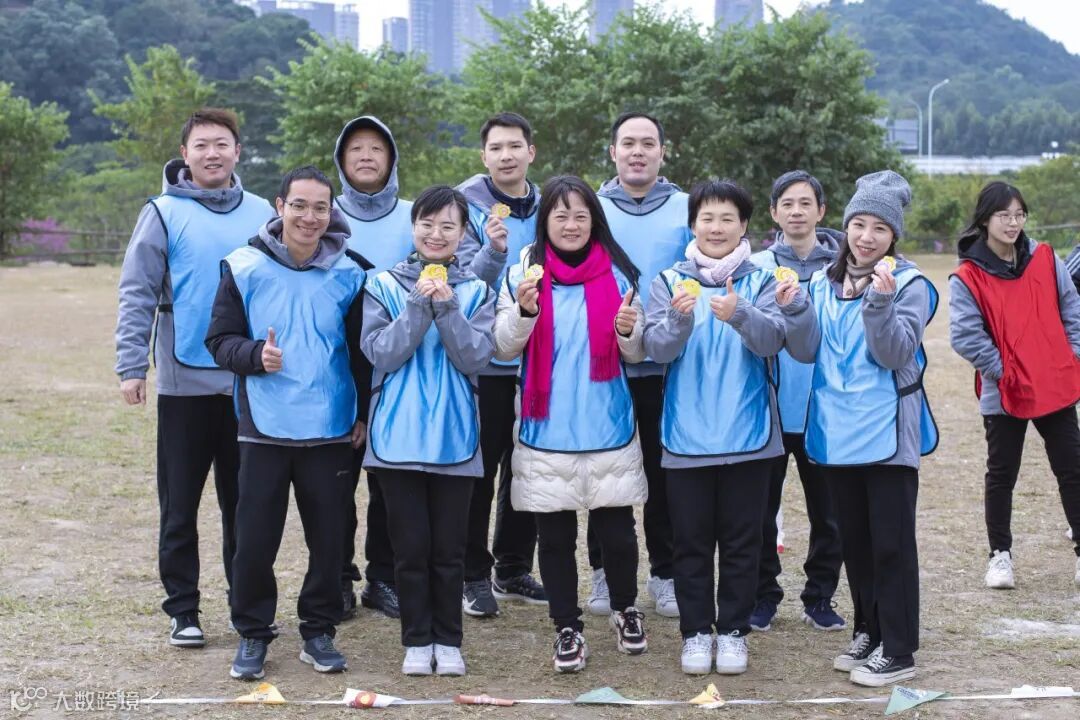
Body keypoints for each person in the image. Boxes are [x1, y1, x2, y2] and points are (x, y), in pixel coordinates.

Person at [114, 108, 274, 647]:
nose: (212, 153)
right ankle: (183, 609)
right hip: (184, 384)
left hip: (247, 386)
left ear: (237, 152)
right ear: (184, 155)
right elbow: (137, 291)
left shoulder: (262, 212)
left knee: (244, 506)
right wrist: (131, 365)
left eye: (222, 144)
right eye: (201, 144)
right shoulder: (161, 213)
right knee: (179, 506)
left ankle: (244, 604)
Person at [205, 165, 368, 680]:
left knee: (329, 539)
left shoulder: (351, 272)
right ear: (280, 206)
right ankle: (253, 631)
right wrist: (255, 355)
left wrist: (363, 413)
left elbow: (363, 354)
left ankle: (318, 630)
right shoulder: (244, 266)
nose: (309, 217)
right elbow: (219, 341)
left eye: (321, 207)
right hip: (264, 429)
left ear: (331, 213)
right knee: (254, 540)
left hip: (330, 428)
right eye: (299, 205)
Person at [778, 170, 938, 688]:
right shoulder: (825, 281)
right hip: (837, 433)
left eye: (880, 229)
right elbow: (807, 350)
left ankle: (899, 648)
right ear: (846, 226)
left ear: (894, 236)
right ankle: (869, 630)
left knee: (891, 544)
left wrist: (878, 304)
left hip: (887, 435)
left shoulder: (909, 285)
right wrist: (796, 309)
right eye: (859, 224)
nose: (867, 237)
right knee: (857, 544)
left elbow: (893, 353)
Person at [494, 175, 649, 673]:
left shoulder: (620, 274)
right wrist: (524, 311)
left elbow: (636, 350)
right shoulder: (524, 274)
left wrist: (629, 333)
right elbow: (504, 346)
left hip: (607, 422)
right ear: (545, 222)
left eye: (581, 215)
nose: (571, 224)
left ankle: (626, 609)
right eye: (560, 215)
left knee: (618, 534)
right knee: (555, 538)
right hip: (547, 429)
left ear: (594, 221)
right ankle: (566, 626)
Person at [644, 179, 784, 676]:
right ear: (693, 225)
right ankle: (696, 633)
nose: (717, 227)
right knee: (691, 541)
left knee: (744, 542)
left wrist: (741, 313)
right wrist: (678, 323)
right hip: (686, 435)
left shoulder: (761, 280)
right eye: (707, 218)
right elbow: (655, 350)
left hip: (749, 434)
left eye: (728, 218)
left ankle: (734, 633)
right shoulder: (668, 281)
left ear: (744, 226)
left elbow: (773, 342)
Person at [361, 185, 496, 677]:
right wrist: (418, 306)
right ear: (413, 227)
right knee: (410, 549)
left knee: (449, 551)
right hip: (396, 439)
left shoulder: (478, 291)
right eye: (427, 224)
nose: (436, 234)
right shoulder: (381, 285)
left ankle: (449, 640)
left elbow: (475, 357)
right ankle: (417, 640)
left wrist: (448, 308)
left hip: (454, 438)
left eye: (448, 226)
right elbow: (381, 352)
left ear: (463, 235)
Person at [949, 181, 1080, 589]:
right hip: (1003, 391)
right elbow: (965, 335)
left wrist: (1072, 357)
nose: (1012, 222)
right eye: (1003, 215)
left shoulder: (1045, 258)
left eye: (1019, 214)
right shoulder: (968, 275)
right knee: (1002, 473)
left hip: (1054, 382)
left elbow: (1072, 308)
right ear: (985, 219)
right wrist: (1004, 371)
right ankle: (1000, 556)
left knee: (1072, 467)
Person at [589, 112, 693, 619]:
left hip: (666, 365)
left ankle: (665, 573)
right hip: (603, 362)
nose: (637, 151)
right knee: (604, 472)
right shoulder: (590, 207)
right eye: (627, 143)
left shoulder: (687, 207)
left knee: (662, 475)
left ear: (662, 152)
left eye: (647, 143)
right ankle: (604, 572)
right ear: (612, 151)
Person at [455, 112, 545, 618]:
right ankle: (471, 573)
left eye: (515, 146)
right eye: (496, 148)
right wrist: (493, 250)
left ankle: (513, 567)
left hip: (540, 359)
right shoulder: (464, 207)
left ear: (531, 151)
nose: (506, 155)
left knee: (528, 466)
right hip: (486, 359)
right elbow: (462, 279)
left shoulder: (550, 205)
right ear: (484, 156)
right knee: (481, 469)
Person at [749, 171, 845, 633]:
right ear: (773, 213)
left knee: (830, 512)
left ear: (821, 211)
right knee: (759, 512)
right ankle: (762, 594)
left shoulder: (843, 267)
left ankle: (820, 595)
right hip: (767, 408)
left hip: (824, 410)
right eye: (787, 203)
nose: (797, 212)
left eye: (806, 203)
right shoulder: (755, 265)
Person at [332, 115, 413, 620]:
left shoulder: (413, 215)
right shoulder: (322, 211)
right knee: (336, 480)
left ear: (392, 159)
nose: (366, 156)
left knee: (389, 480)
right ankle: (338, 575)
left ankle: (384, 577)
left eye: (376, 149)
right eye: (355, 148)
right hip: (337, 363)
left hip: (394, 362)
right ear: (341, 160)